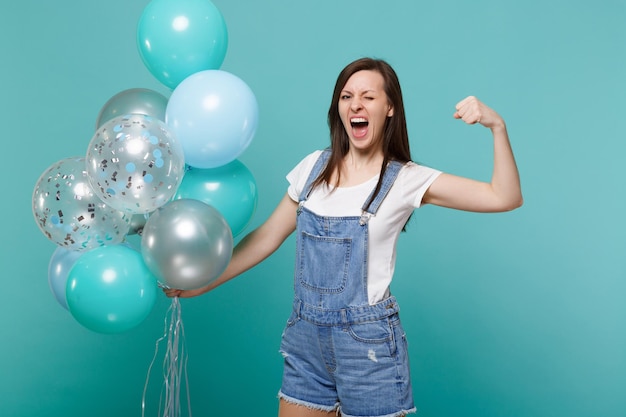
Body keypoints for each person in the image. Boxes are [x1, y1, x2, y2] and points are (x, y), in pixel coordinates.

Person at [164, 57, 522, 417]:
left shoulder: (406, 179)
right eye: (347, 96)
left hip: (368, 349)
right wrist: (205, 282)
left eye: (368, 97)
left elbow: (504, 197)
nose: (356, 105)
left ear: (390, 107)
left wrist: (497, 127)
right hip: (306, 342)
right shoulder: (313, 168)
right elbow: (267, 237)